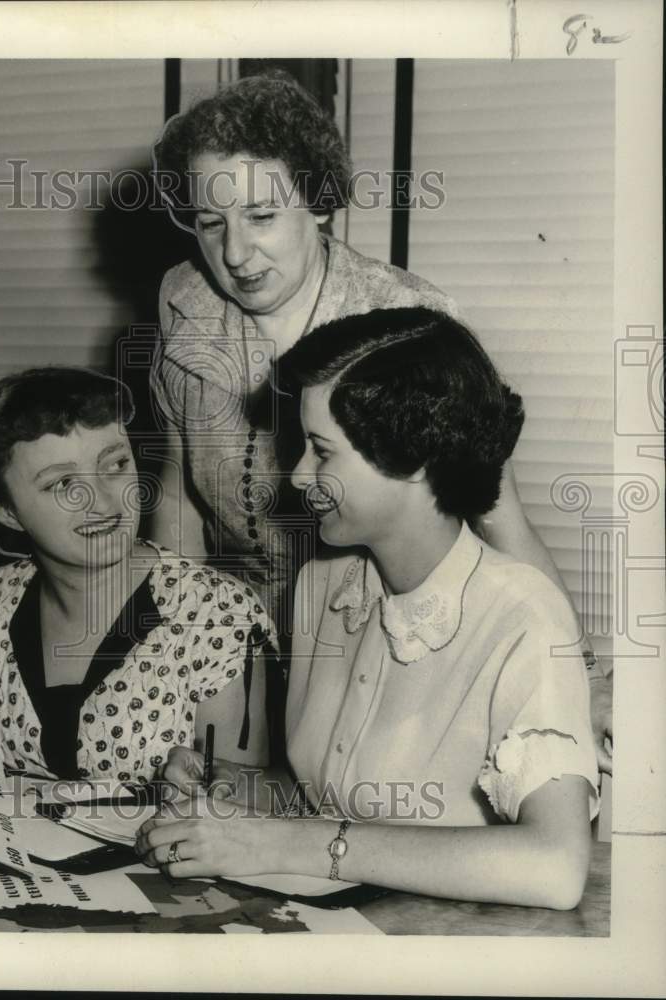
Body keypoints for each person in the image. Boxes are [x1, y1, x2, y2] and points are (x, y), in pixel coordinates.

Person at [148, 70, 612, 769]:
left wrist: (570, 679)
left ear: (321, 202)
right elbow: (180, 493)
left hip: (369, 655)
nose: (234, 254)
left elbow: (493, 512)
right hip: (228, 651)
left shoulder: (407, 325)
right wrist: (168, 649)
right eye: (210, 223)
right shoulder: (185, 301)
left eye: (262, 217)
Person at [136, 308, 599, 910]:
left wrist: (286, 845)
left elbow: (556, 867)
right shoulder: (322, 586)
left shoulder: (523, 615)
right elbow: (331, 800)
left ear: (411, 460)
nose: (298, 476)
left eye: (322, 452)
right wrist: (237, 789)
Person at [0, 367, 274, 784]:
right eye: (63, 483)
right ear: (5, 511)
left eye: (115, 464)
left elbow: (242, 805)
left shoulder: (217, 613)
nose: (101, 501)